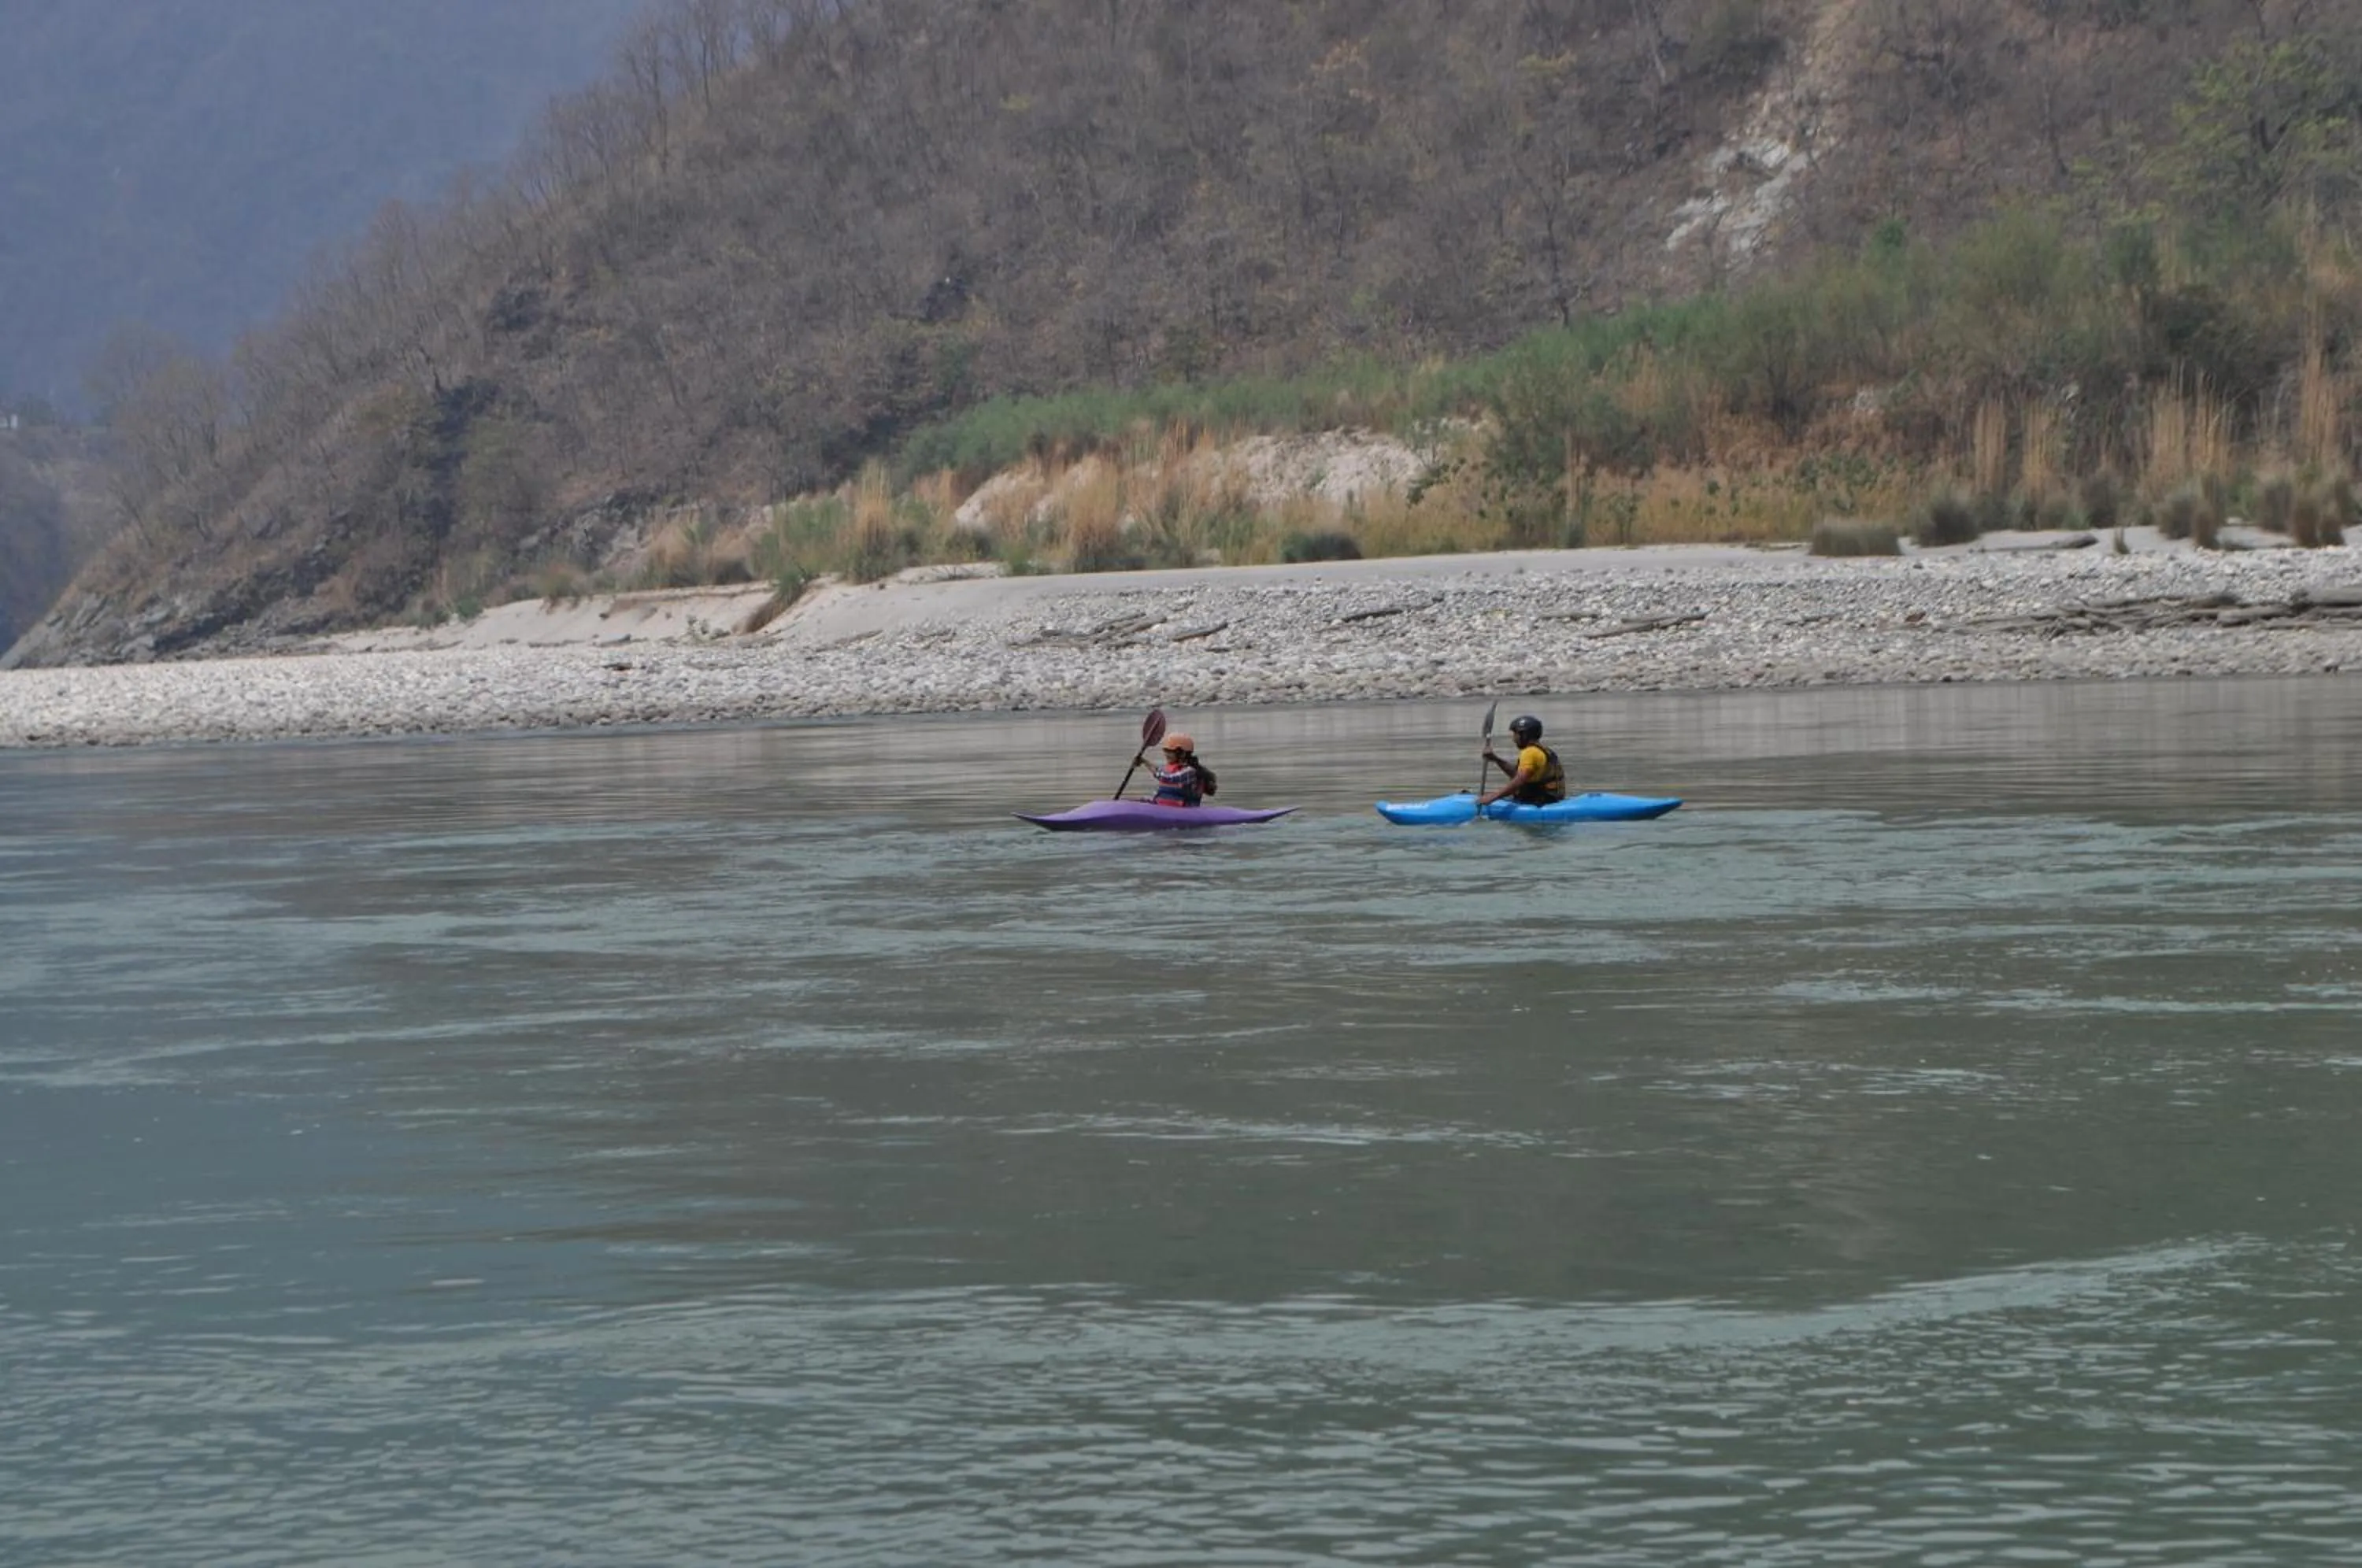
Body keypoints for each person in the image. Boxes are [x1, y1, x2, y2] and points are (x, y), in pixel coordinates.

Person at [1478, 715, 1566, 808]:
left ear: (1525, 735)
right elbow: (1517, 774)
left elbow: (1519, 780)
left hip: (1537, 802)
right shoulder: (1541, 750)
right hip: (1549, 799)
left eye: (1515, 734)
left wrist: (1493, 797)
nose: (1513, 739)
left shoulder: (1529, 753)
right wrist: (1496, 759)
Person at [1149, 732, 1218, 807]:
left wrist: (1147, 765)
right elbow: (1160, 772)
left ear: (1182, 754)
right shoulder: (1172, 769)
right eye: (1166, 751)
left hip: (1185, 810)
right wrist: (1144, 762)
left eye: (1170, 752)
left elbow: (1168, 778)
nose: (1166, 754)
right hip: (1165, 807)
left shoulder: (1190, 771)